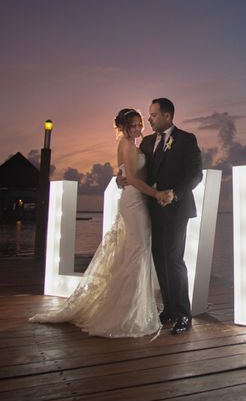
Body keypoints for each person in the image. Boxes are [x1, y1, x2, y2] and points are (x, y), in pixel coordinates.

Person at [30, 109, 172, 338]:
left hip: (139, 201)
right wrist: (156, 194)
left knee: (134, 252)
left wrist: (121, 178)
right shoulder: (125, 144)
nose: (137, 129)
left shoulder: (137, 145)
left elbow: (124, 173)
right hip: (134, 201)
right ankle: (127, 313)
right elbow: (133, 179)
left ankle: (131, 306)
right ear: (123, 127)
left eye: (139, 125)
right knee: (138, 251)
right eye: (133, 126)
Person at [138, 98, 202, 335]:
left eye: (153, 115)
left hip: (176, 209)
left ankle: (184, 314)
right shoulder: (145, 142)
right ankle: (169, 309)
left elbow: (195, 175)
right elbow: (135, 171)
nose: (149, 119)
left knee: (174, 259)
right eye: (149, 115)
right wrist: (120, 178)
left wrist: (174, 194)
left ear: (167, 115)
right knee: (159, 259)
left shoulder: (187, 139)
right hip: (151, 209)